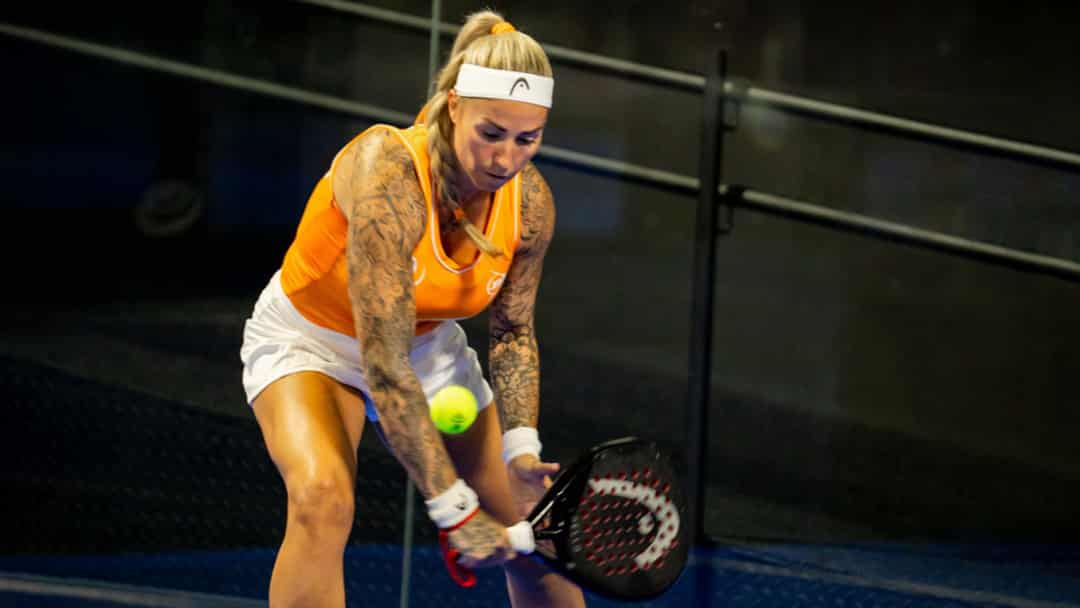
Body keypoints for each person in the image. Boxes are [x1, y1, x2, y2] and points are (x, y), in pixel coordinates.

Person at [239, 9, 586, 608]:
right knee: (324, 500)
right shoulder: (388, 174)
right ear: (454, 106)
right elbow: (383, 362)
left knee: (535, 540)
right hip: (312, 343)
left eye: (527, 140)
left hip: (426, 351)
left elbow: (511, 333)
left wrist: (521, 449)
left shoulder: (530, 205)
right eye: (491, 132)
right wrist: (454, 510)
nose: (506, 159)